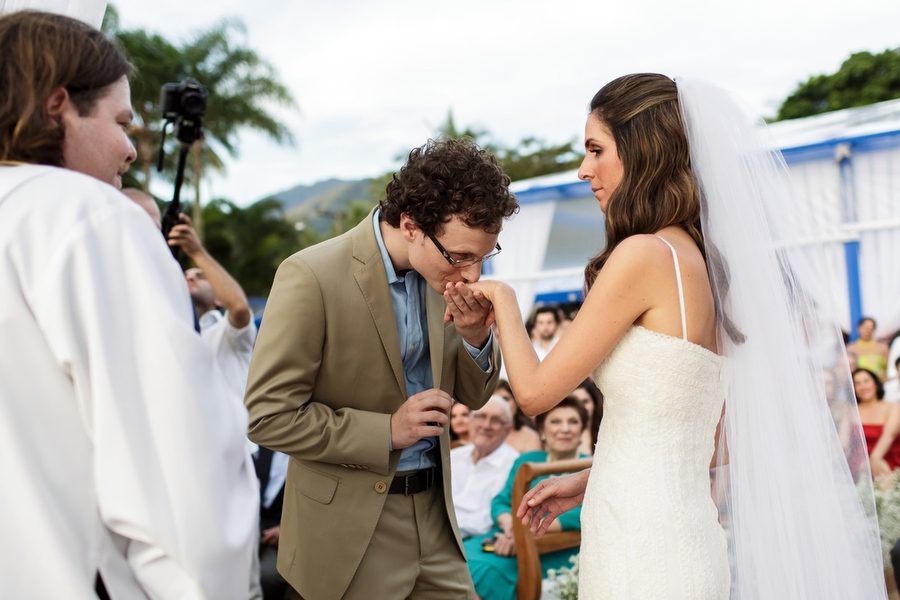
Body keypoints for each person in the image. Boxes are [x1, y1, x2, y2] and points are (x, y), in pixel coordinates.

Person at [452, 74, 884, 598]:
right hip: (678, 535)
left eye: (595, 149)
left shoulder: (642, 255)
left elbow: (535, 393)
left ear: (640, 153)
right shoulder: (704, 267)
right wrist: (588, 480)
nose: (584, 169)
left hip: (640, 543)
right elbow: (716, 442)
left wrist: (504, 302)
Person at [0, 10, 257, 599]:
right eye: (121, 120)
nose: (131, 150)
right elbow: (176, 486)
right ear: (57, 105)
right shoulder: (89, 217)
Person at [243, 137, 518, 600]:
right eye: (461, 256)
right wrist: (387, 430)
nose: (471, 275)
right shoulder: (310, 276)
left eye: (482, 258)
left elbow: (472, 397)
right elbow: (267, 416)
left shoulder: (442, 276)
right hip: (350, 532)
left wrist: (475, 339)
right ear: (410, 225)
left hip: (436, 518)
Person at [463, 397, 589, 600]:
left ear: (582, 428)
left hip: (555, 549)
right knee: (454, 561)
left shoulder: (590, 468)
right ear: (542, 430)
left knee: (483, 573)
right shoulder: (528, 460)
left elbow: (578, 515)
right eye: (555, 422)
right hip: (506, 538)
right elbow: (501, 501)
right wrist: (511, 529)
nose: (565, 429)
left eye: (573, 422)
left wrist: (522, 535)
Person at [450, 396, 520, 539]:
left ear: (507, 430)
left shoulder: (512, 463)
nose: (486, 425)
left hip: (475, 541)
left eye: (495, 420)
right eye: (480, 417)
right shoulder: (453, 456)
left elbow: (487, 519)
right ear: (471, 421)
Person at [855, 367, 900, 479]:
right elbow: (845, 442)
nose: (863, 386)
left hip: (889, 461)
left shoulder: (893, 408)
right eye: (857, 383)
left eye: (866, 381)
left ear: (875, 383)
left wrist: (875, 458)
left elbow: (890, 435)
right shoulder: (851, 411)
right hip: (859, 466)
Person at [493, 379, 542, 453]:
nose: (501, 404)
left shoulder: (530, 438)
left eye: (506, 399)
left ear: (517, 403)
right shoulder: (478, 434)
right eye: (495, 399)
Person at [848, 316, 890, 382]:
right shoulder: (850, 348)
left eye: (871, 328)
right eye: (865, 328)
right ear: (859, 328)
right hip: (860, 384)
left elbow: (889, 368)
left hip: (880, 383)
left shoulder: (883, 347)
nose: (868, 331)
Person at [570, 378, 602, 455]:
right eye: (576, 403)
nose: (582, 407)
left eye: (585, 402)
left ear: (594, 403)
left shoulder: (606, 432)